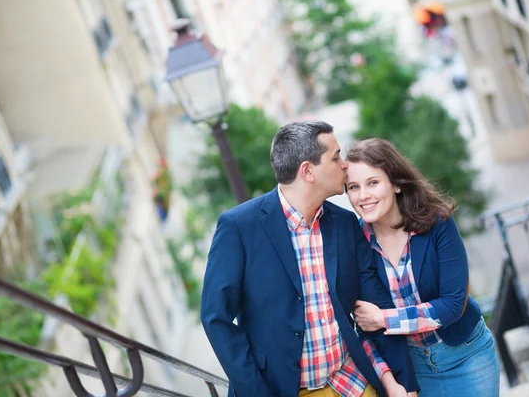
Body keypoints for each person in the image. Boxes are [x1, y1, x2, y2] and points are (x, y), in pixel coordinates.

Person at [201, 122, 419, 397]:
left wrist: (404, 382)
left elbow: (375, 302)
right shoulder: (239, 227)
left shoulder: (344, 223)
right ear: (308, 171)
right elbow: (215, 318)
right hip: (284, 390)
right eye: (336, 157)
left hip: (349, 380)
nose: (344, 165)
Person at [345, 138, 500, 397]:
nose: (363, 196)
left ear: (395, 184)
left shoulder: (436, 223)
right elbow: (364, 327)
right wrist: (389, 380)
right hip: (414, 370)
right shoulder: (355, 245)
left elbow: (452, 305)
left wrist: (384, 318)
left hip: (467, 357)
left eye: (373, 182)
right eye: (353, 187)